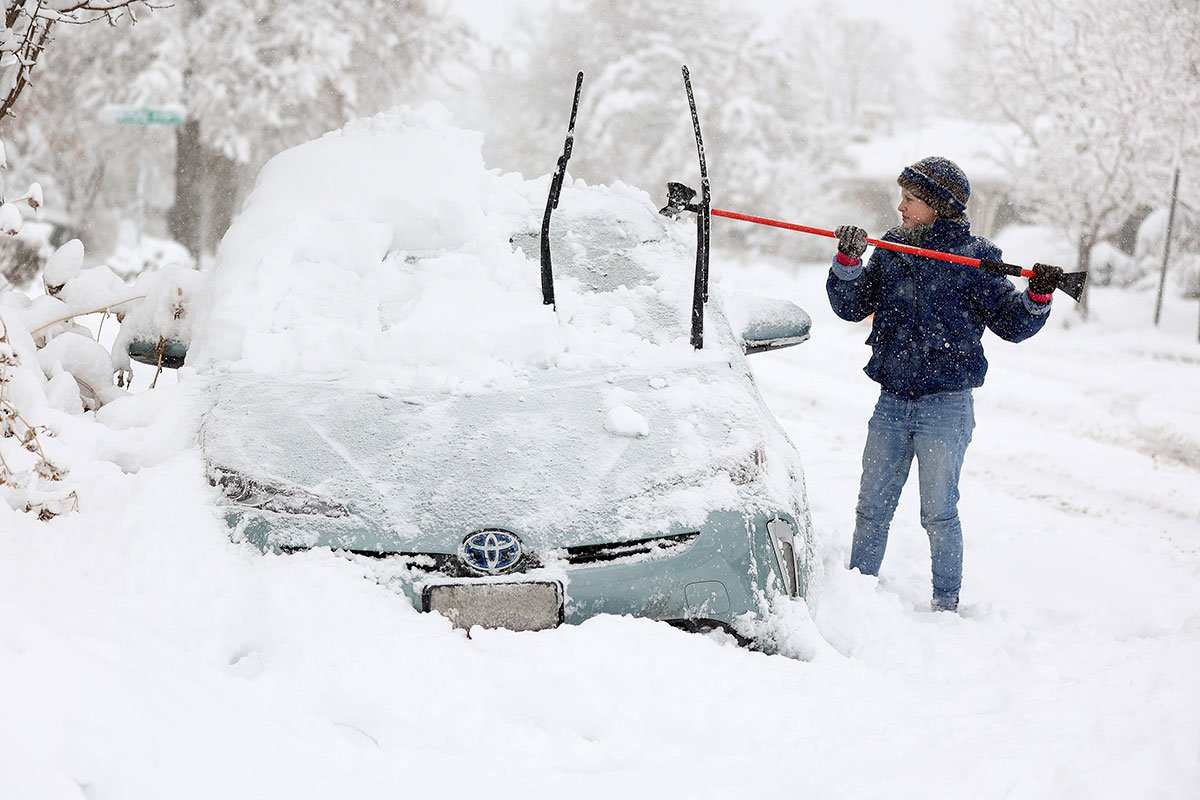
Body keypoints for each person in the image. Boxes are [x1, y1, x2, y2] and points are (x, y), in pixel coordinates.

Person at [826, 156, 1061, 613]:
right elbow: (853, 306)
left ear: (937, 204)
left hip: (946, 406)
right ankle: (857, 601)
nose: (900, 207)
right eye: (902, 198)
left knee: (938, 513)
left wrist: (1038, 296)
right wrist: (848, 262)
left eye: (910, 199)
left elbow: (1012, 324)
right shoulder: (894, 247)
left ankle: (946, 605)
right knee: (871, 510)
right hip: (891, 401)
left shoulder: (976, 259)